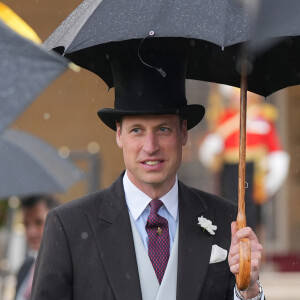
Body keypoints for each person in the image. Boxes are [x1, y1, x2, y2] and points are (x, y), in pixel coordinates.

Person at [31, 40, 264, 299]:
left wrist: (250, 290)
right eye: (137, 130)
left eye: (163, 129)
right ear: (119, 134)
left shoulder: (227, 220)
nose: (150, 147)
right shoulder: (69, 227)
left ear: (183, 132)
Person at [199, 85, 289, 231]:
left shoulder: (262, 116)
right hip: (229, 170)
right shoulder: (223, 116)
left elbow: (275, 148)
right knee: (229, 210)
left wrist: (272, 177)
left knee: (252, 214)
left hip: (254, 170)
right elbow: (212, 146)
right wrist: (212, 146)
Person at [14, 194, 59, 300]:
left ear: (57, 222)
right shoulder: (25, 267)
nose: (31, 232)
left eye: (39, 222)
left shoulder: (68, 270)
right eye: (26, 224)